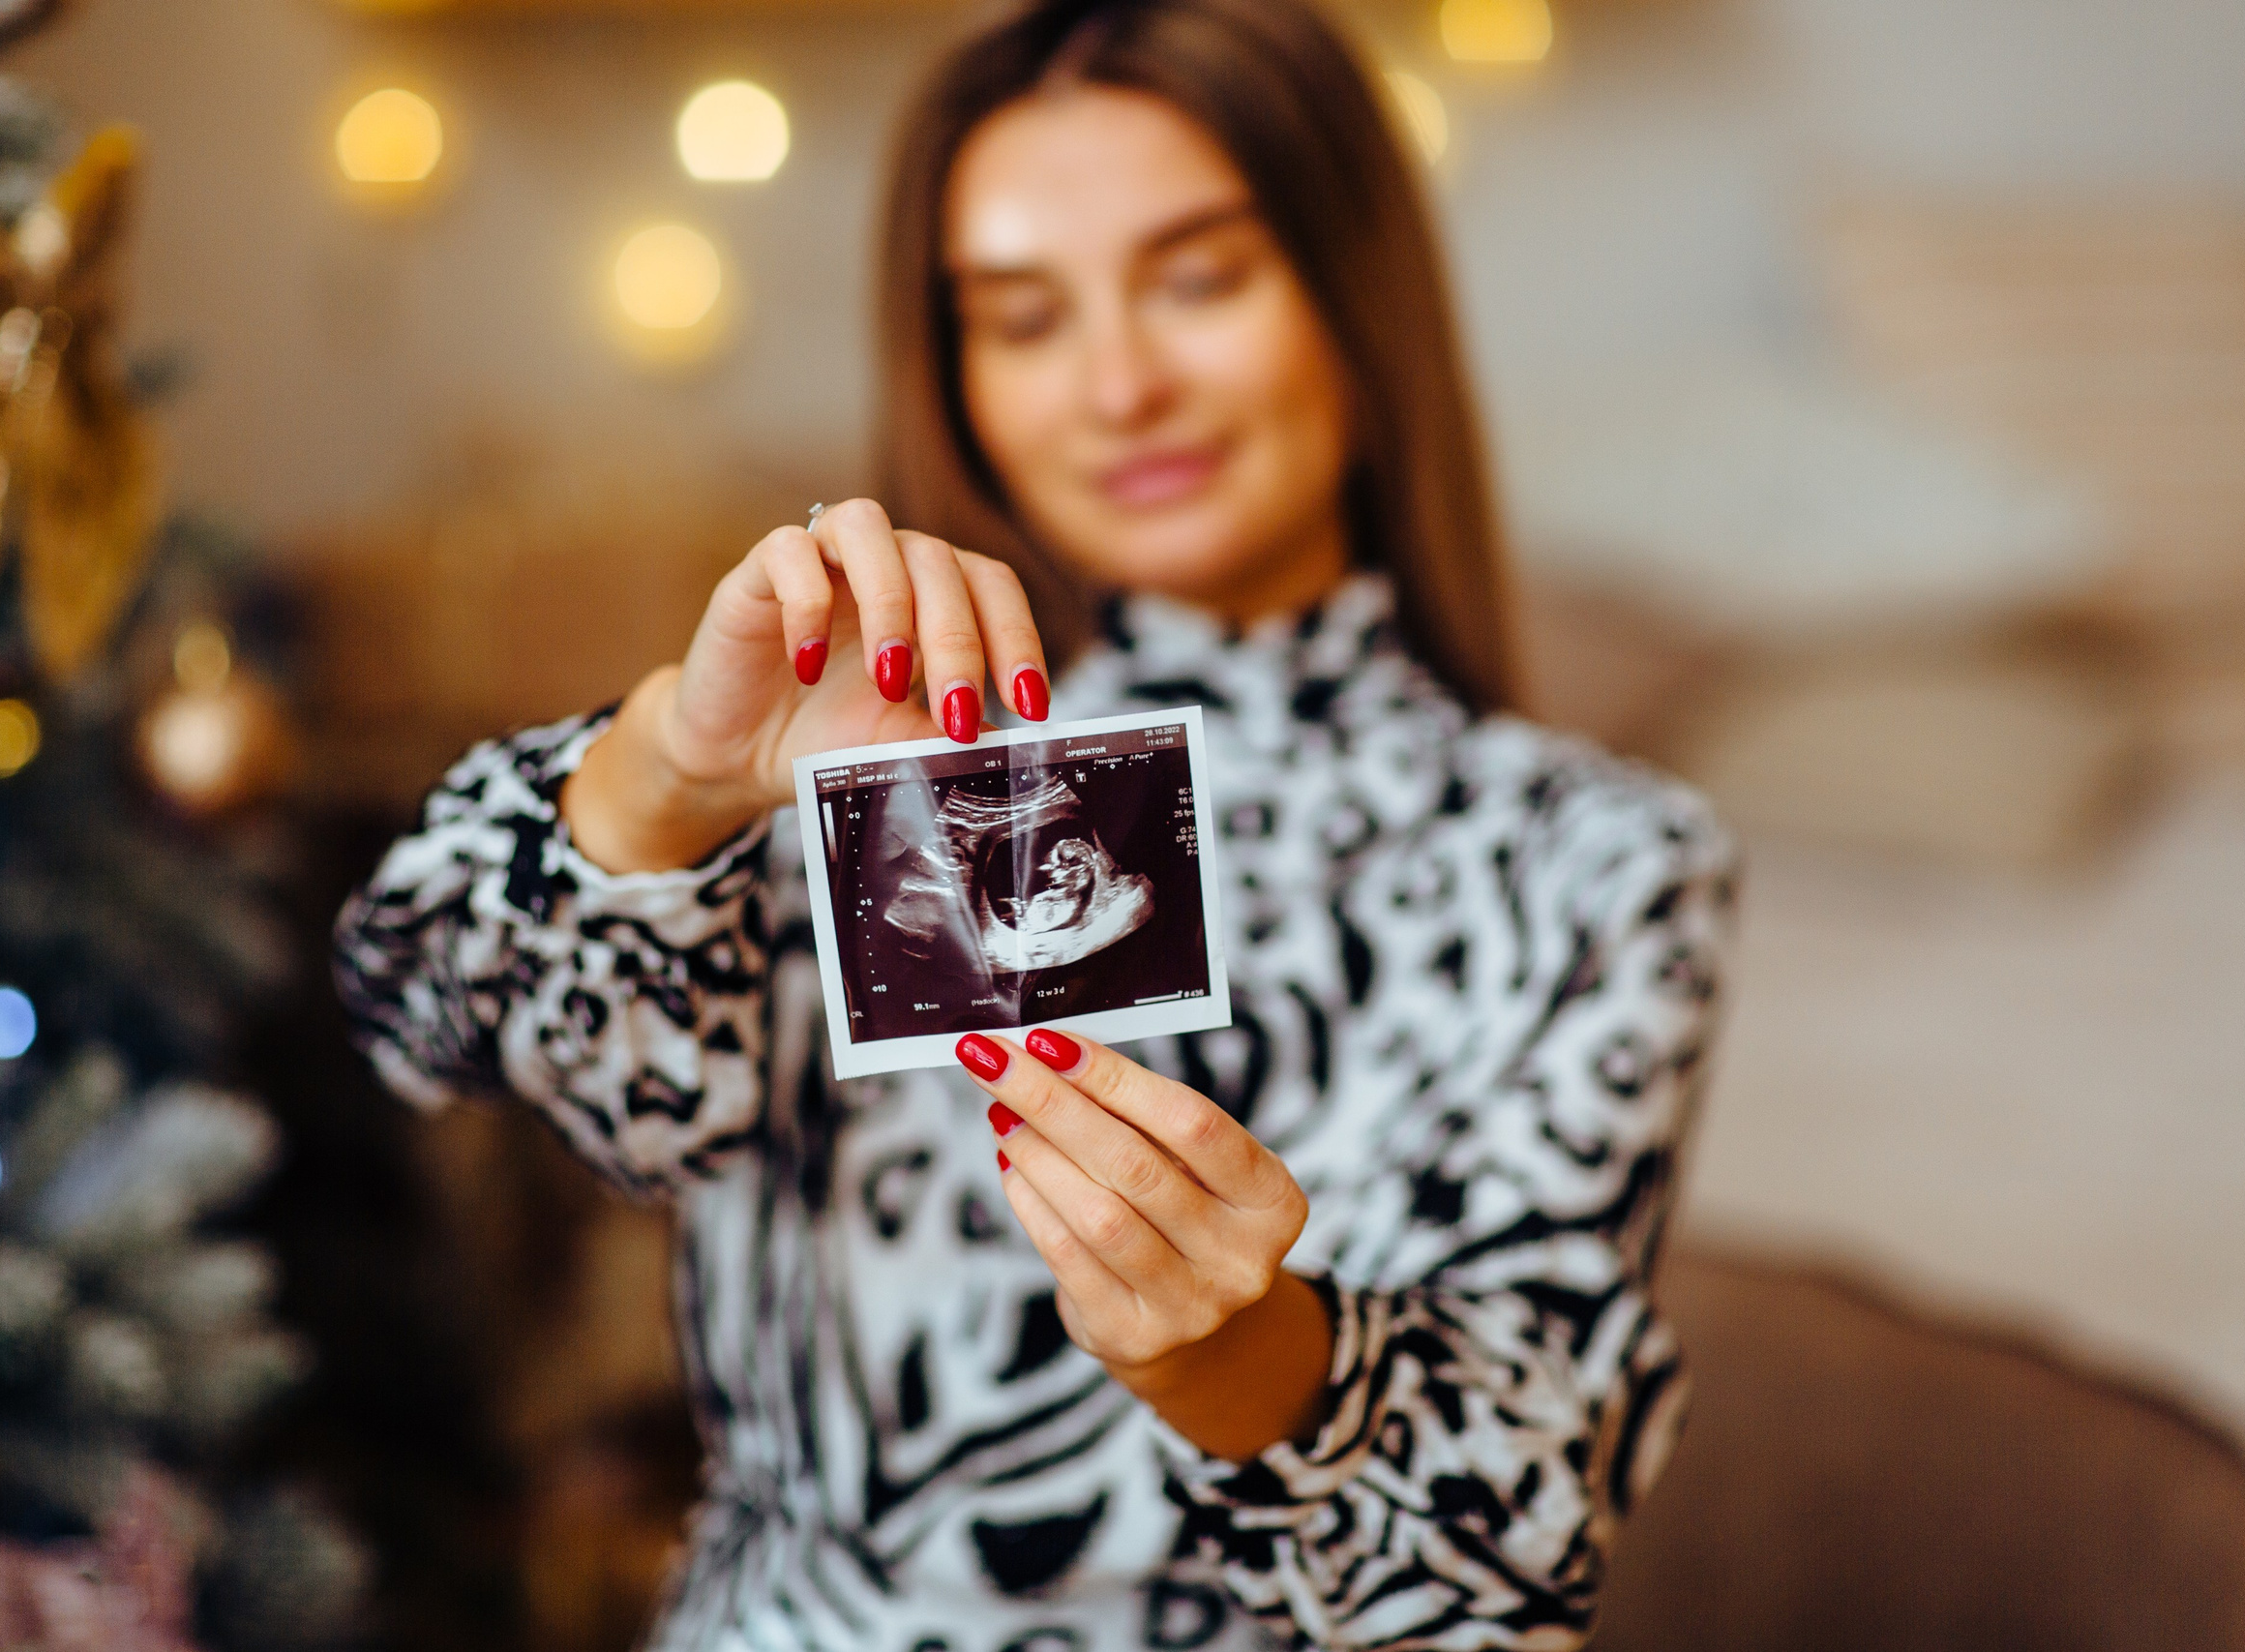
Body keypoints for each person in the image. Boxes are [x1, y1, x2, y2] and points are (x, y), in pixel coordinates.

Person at [334, 0, 1738, 1646]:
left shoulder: (1594, 864)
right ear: (955, 373)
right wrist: (670, 772)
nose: (1122, 385)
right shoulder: (843, 758)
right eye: (1020, 317)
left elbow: (1513, 1541)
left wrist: (1233, 1358)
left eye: (1202, 278)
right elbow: (413, 1019)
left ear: (1357, 296)